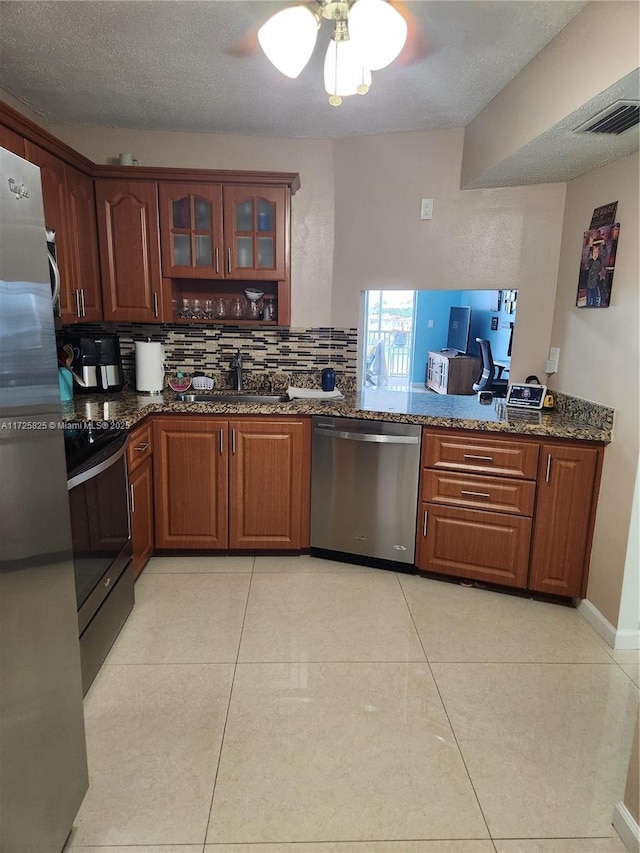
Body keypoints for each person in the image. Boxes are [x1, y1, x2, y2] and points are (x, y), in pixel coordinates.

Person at [585, 241, 607, 307]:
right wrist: (591, 247)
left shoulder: (599, 261)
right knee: (589, 301)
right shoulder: (590, 261)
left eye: (597, 252)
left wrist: (604, 245)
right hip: (589, 285)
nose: (595, 254)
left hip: (595, 285)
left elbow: (604, 254)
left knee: (595, 300)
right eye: (594, 252)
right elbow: (587, 257)